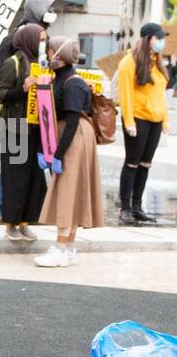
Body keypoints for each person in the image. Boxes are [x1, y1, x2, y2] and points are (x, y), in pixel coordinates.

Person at [0, 0, 56, 222]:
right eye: (48, 8)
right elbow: (1, 89)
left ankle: (22, 213)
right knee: (14, 165)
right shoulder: (21, 41)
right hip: (15, 118)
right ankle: (0, 209)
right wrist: (21, 89)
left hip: (32, 115)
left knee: (24, 167)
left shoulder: (37, 41)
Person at [36, 36, 104, 267]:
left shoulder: (72, 83)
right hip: (72, 137)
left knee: (66, 191)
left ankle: (61, 247)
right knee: (72, 191)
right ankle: (69, 246)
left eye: (50, 51)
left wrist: (57, 154)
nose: (48, 56)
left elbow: (73, 121)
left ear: (59, 54)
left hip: (74, 138)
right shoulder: (62, 79)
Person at [0, 23, 47, 242]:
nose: (43, 44)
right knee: (15, 177)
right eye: (40, 39)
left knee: (33, 177)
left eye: (45, 40)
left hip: (33, 128)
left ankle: (25, 221)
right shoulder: (13, 63)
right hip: (14, 128)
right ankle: (10, 223)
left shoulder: (40, 65)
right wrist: (21, 89)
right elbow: (0, 94)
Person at [114, 21, 169, 224]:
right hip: (137, 118)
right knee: (132, 163)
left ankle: (137, 206)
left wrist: (165, 120)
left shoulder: (157, 62)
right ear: (148, 39)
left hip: (155, 120)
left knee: (145, 164)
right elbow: (125, 94)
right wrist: (129, 121)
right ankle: (125, 207)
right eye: (158, 38)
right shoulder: (129, 62)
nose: (162, 42)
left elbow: (160, 94)